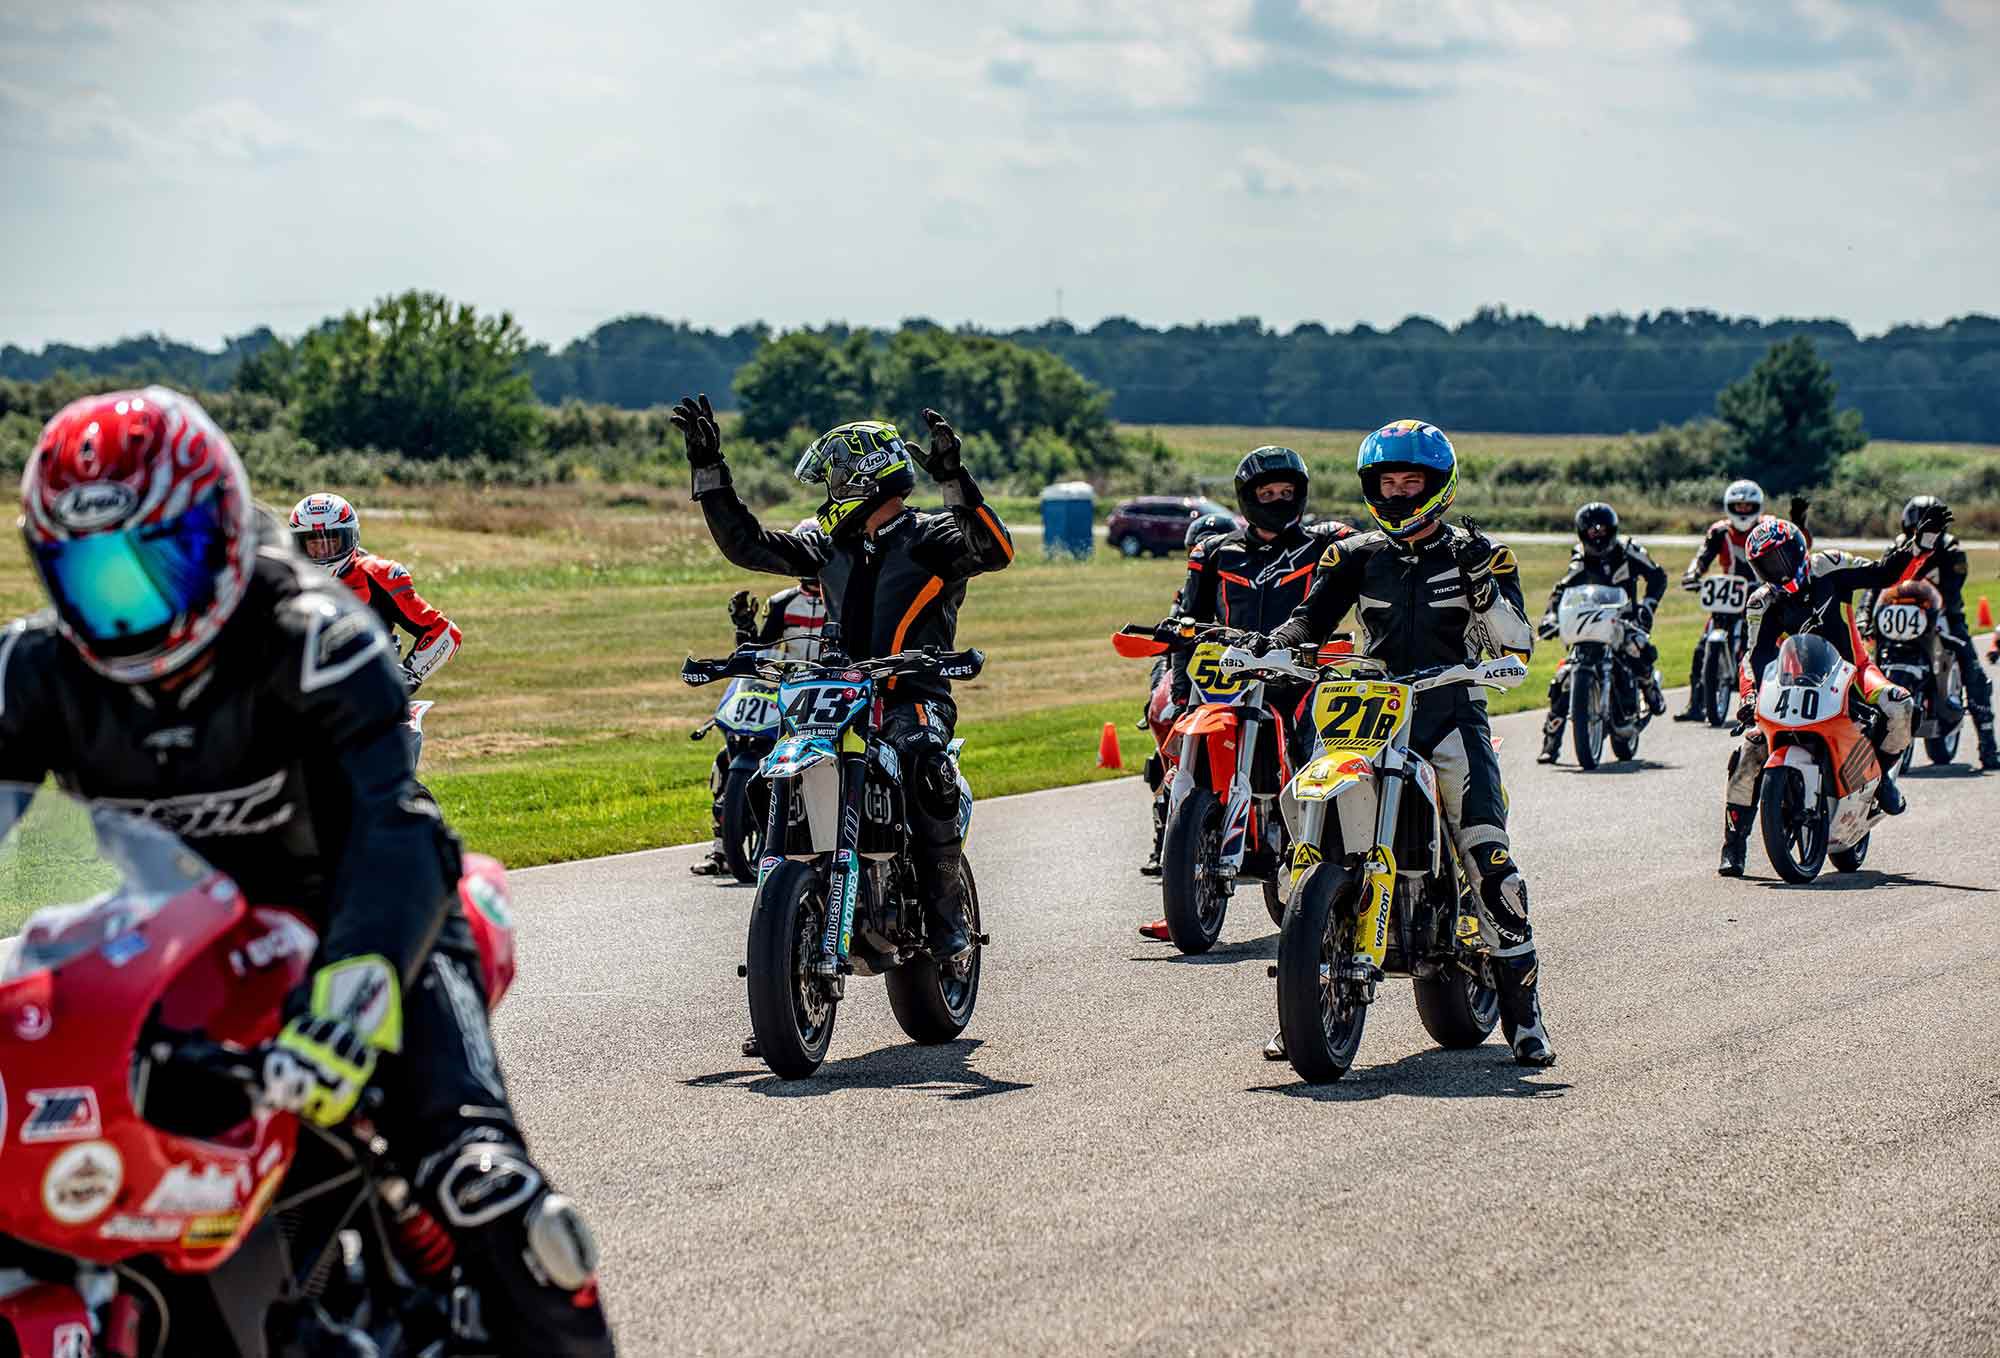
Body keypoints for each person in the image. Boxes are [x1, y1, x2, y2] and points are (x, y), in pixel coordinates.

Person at [4, 389, 612, 1355]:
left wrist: (352, 993)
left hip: (374, 922)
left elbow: (395, 823)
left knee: (487, 1190)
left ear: (217, 533)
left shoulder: (312, 632)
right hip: (176, 949)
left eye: (151, 567)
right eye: (92, 576)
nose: (125, 605)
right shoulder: (31, 669)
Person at [669, 393, 1013, 1054]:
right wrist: (710, 469)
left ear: (863, 479)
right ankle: (782, 977)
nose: (827, 491)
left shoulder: (933, 536)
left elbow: (993, 549)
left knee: (925, 766)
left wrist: (954, 480)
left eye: (834, 477)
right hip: (834, 690)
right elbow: (747, 544)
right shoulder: (827, 542)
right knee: (778, 772)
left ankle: (946, 927)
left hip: (912, 691)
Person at [1255, 419, 1553, 1067]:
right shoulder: (1354, 554)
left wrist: (1481, 588)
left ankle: (1525, 1018)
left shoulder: (1484, 552)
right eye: (1385, 481)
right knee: (1302, 824)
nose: (1396, 492)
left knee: (1489, 858)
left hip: (1450, 709)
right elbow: (1312, 616)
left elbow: (1516, 639)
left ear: (1437, 485)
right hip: (1370, 708)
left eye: (1409, 480)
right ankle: (1304, 998)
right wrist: (1279, 646)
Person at [1136, 450, 1352, 939]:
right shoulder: (1215, 551)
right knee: (1179, 772)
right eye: (1266, 493)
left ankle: (1336, 886)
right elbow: (1187, 621)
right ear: (1247, 498)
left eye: (1285, 493)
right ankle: (1182, 896)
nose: (1277, 500)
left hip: (1300, 675)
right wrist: (1179, 678)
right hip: (1228, 678)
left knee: (1318, 763)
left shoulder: (1327, 544)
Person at [1717, 512, 1942, 876]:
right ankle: (1733, 846)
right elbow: (1754, 655)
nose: (1774, 571)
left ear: (1797, 551)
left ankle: (1882, 778)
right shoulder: (1761, 603)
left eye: (1779, 560)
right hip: (1794, 681)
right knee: (1749, 749)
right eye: (1764, 566)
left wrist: (1920, 547)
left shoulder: (1831, 567)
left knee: (1899, 704)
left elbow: (1885, 574)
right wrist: (1748, 698)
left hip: (1855, 671)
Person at [693, 522, 830, 877]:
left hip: (830, 694)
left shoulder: (844, 597)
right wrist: (744, 628)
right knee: (727, 760)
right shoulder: (782, 603)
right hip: (789, 691)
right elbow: (761, 650)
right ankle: (721, 850)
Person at [1857, 495, 1998, 771]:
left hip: (1942, 616)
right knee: (1863, 665)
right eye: (1916, 530)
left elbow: (1953, 588)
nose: (1922, 536)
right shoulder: (1896, 547)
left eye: (1930, 530)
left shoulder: (1951, 550)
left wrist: (1935, 610)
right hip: (1898, 618)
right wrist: (1864, 617)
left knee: (1972, 668)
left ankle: (1989, 746)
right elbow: (1875, 585)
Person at [1138, 510, 1236, 877]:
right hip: (1193, 678)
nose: (1204, 554)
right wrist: (1159, 695)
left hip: (1236, 678)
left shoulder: (1244, 584)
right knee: (1160, 733)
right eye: (1197, 548)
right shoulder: (1186, 593)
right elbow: (1168, 645)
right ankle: (1163, 840)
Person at [289, 492, 462, 693]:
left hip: (368, 690)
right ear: (298, 544)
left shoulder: (381, 575)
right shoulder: (282, 578)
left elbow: (445, 632)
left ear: (351, 536)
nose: (323, 551)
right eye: (314, 544)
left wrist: (410, 673)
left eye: (332, 542)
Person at [1536, 502, 1668, 763]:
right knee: (1563, 678)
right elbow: (1562, 589)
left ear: (1613, 530)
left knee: (1636, 647)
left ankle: (1648, 684)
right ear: (1583, 533)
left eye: (1602, 529)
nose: (1597, 535)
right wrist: (1551, 615)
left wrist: (1648, 606)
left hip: (1624, 619)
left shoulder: (1629, 550)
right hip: (1590, 622)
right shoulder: (1580, 557)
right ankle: (1551, 743)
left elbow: (1657, 576)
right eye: (1591, 530)